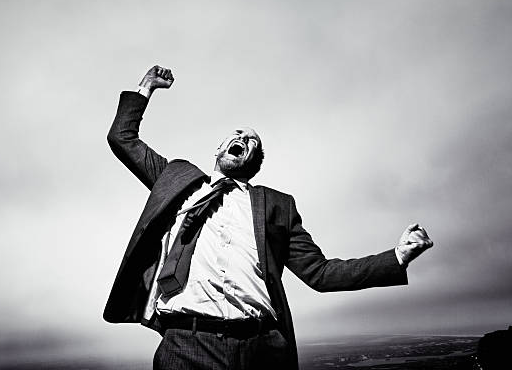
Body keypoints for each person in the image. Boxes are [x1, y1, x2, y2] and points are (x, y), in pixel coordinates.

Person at [103, 65, 433, 370]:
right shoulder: (177, 179)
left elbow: (320, 273)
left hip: (262, 348)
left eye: (253, 142)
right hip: (187, 346)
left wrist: (397, 257)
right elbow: (122, 139)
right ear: (219, 149)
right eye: (239, 134)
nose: (245, 139)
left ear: (254, 162)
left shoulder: (277, 205)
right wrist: (146, 87)